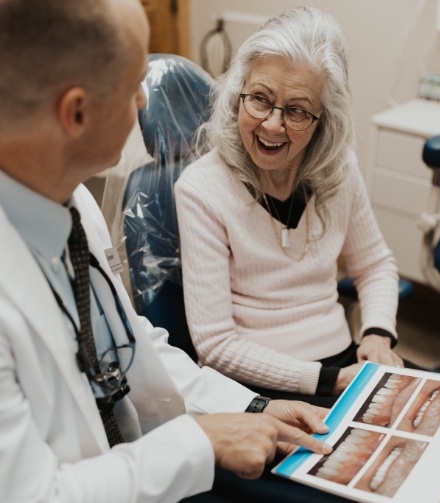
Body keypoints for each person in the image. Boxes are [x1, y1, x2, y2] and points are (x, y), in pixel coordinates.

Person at [0, 1, 346, 502]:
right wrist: (199, 443)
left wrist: (253, 408)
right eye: (133, 84)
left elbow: (123, 342)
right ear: (76, 111)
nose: (145, 101)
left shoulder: (68, 202)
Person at [175, 5, 404, 409]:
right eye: (259, 99)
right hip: (257, 385)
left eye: (297, 110)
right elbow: (215, 344)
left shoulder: (339, 169)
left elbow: (375, 265)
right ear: (237, 95)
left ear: (323, 120)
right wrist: (328, 381)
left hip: (344, 362)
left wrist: (377, 335)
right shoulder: (202, 188)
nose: (272, 125)